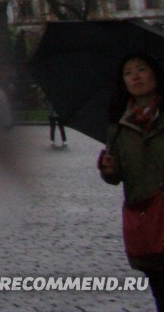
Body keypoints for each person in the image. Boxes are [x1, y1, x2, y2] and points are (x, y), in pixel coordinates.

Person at [98, 52, 164, 309]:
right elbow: (115, 177)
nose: (135, 76)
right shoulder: (118, 126)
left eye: (141, 69)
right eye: (128, 73)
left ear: (155, 74)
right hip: (146, 217)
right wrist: (109, 169)